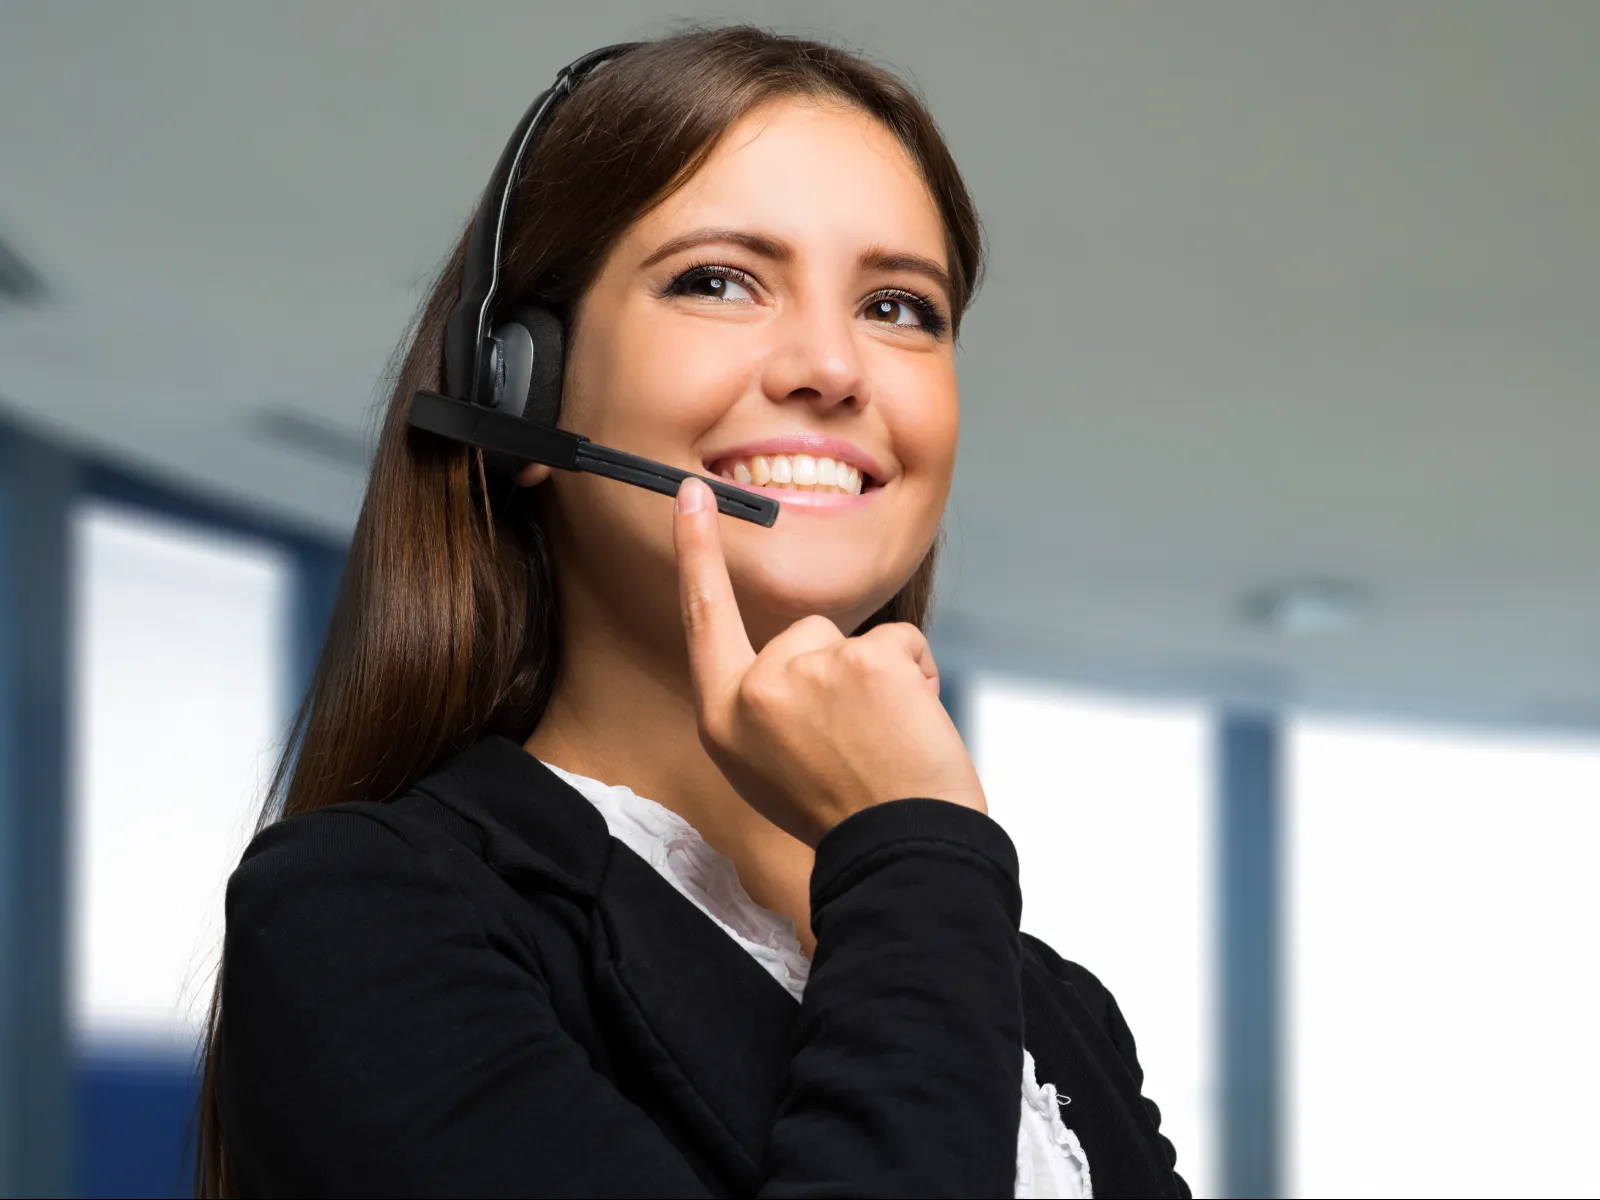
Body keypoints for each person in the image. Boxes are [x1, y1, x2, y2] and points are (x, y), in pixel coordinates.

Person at [195, 26, 1188, 1199]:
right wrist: (913, 847)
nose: (833, 365)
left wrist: (920, 875)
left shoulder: (1050, 1006)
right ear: (515, 387)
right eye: (719, 280)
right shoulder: (365, 919)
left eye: (899, 306)